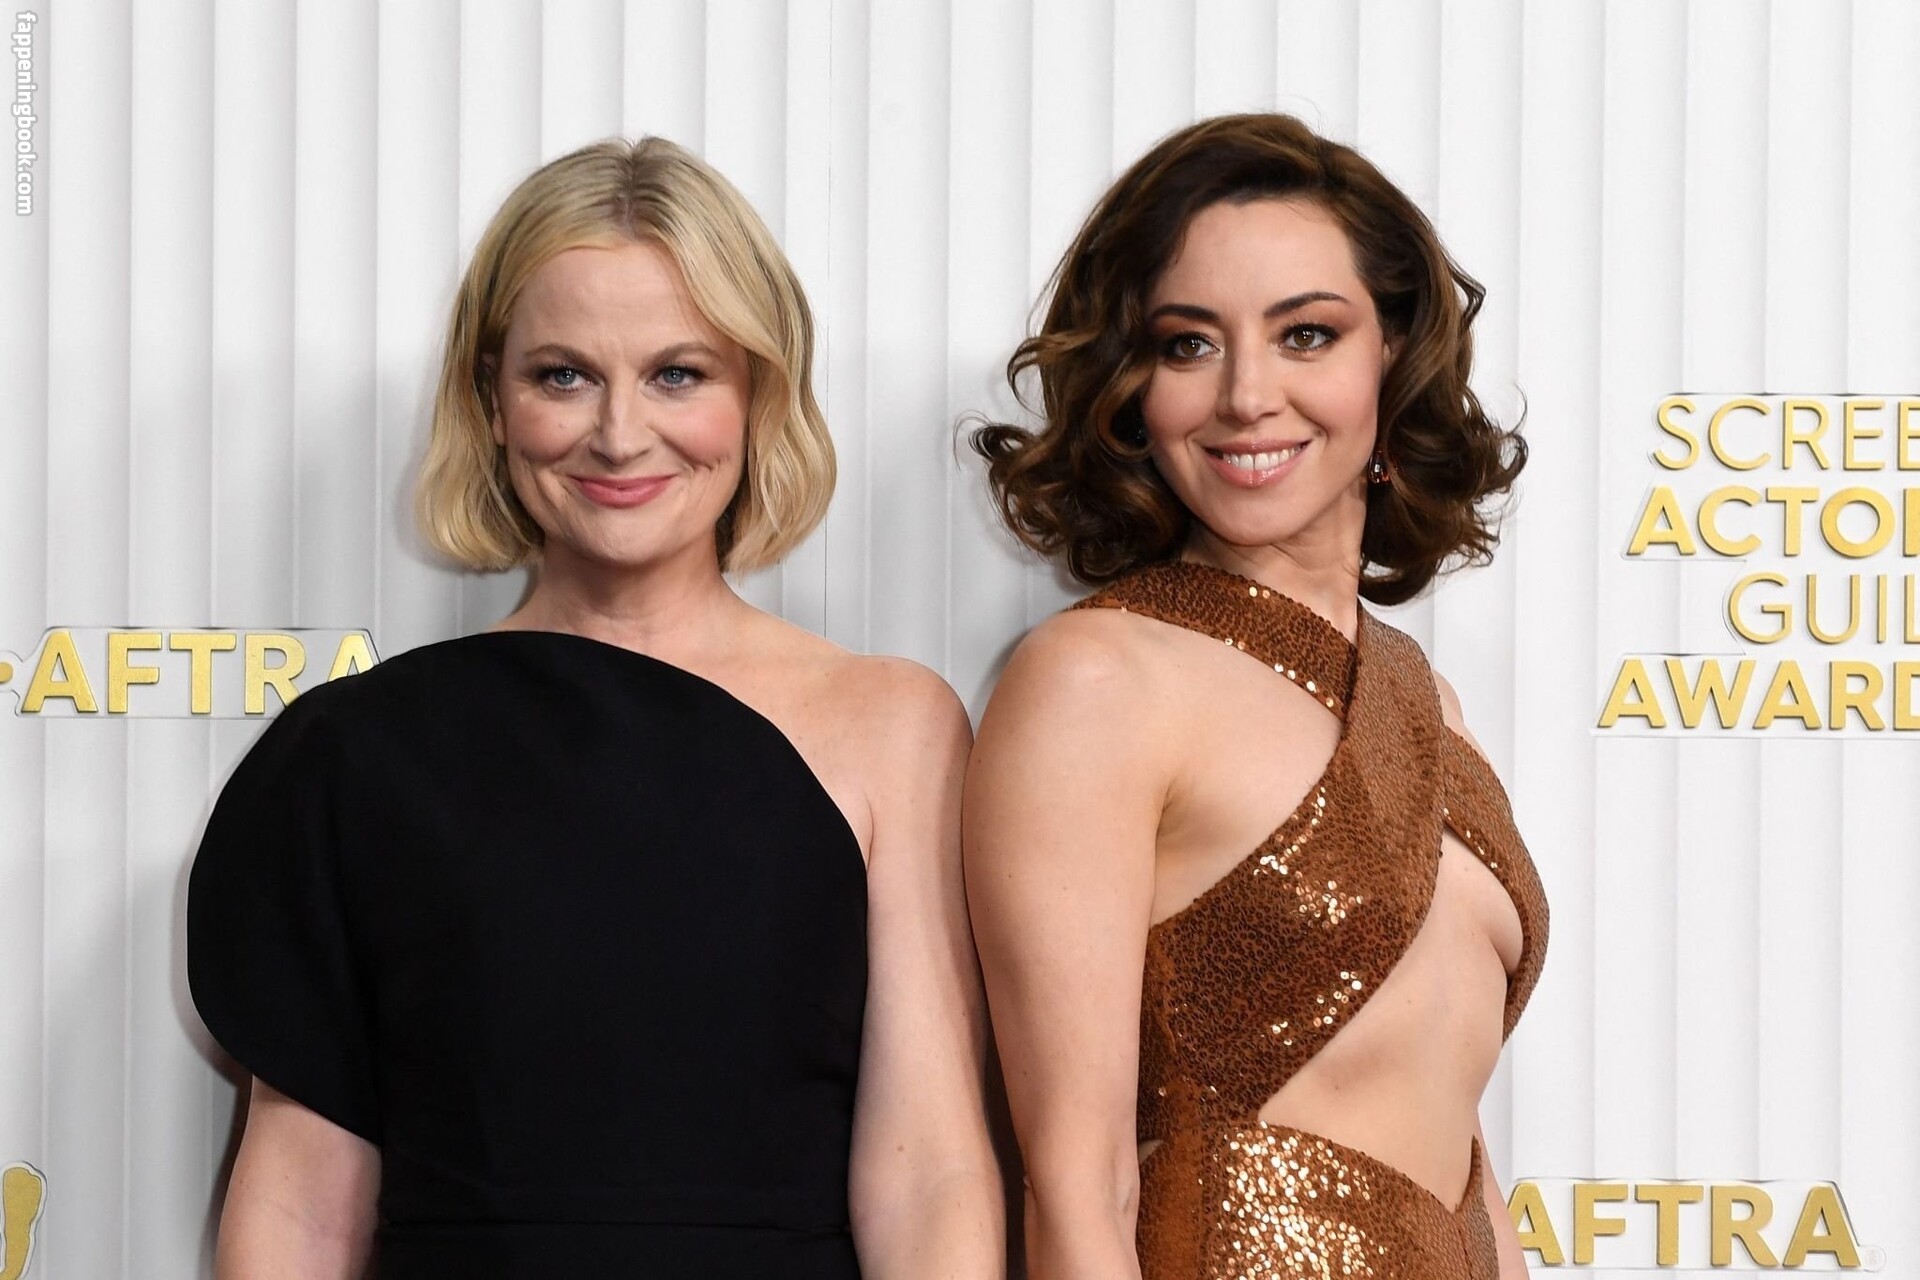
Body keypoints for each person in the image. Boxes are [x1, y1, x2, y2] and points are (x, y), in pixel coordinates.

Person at [188, 137, 1002, 1279]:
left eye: (678, 373)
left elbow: (930, 1182)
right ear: (491, 396)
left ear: (758, 393)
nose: (620, 434)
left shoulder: (892, 725)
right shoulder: (353, 755)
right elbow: (300, 1205)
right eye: (563, 375)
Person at [965, 113, 1546, 1280]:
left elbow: (1462, 1154)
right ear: (1132, 386)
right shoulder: (1096, 682)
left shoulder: (1431, 701)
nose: (1245, 394)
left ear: (1393, 356)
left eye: (1306, 334)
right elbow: (1074, 1189)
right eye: (1188, 343)